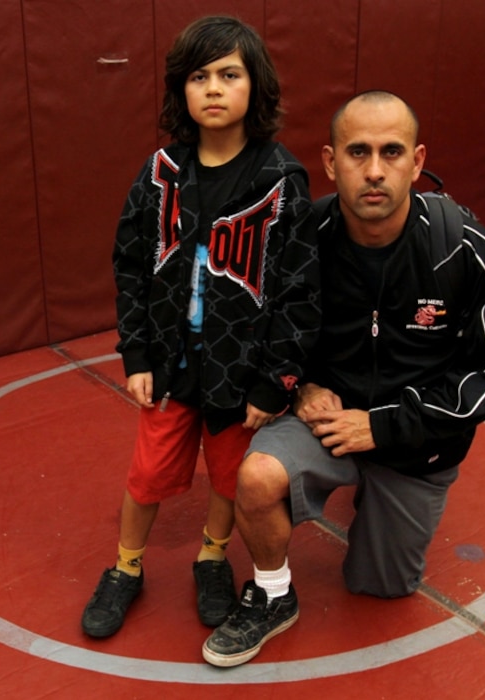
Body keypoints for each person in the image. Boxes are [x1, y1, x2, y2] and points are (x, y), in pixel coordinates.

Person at [202, 90, 485, 666]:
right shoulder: (299, 238)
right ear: (330, 162)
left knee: (381, 586)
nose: (374, 171)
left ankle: (379, 509)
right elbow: (254, 331)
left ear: (418, 161)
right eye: (357, 152)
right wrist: (296, 387)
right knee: (255, 477)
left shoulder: (465, 249)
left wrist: (386, 426)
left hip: (416, 444)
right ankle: (274, 595)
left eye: (392, 152)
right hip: (327, 420)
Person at [81, 15, 321, 639]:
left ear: (255, 87)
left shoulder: (282, 180)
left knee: (228, 476)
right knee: (147, 475)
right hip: (169, 364)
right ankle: (125, 568)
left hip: (239, 372)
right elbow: (131, 264)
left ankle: (211, 557)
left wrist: (276, 381)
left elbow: (300, 291)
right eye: (199, 76)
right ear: (180, 91)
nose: (213, 87)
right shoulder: (160, 171)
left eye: (229, 74)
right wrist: (135, 352)